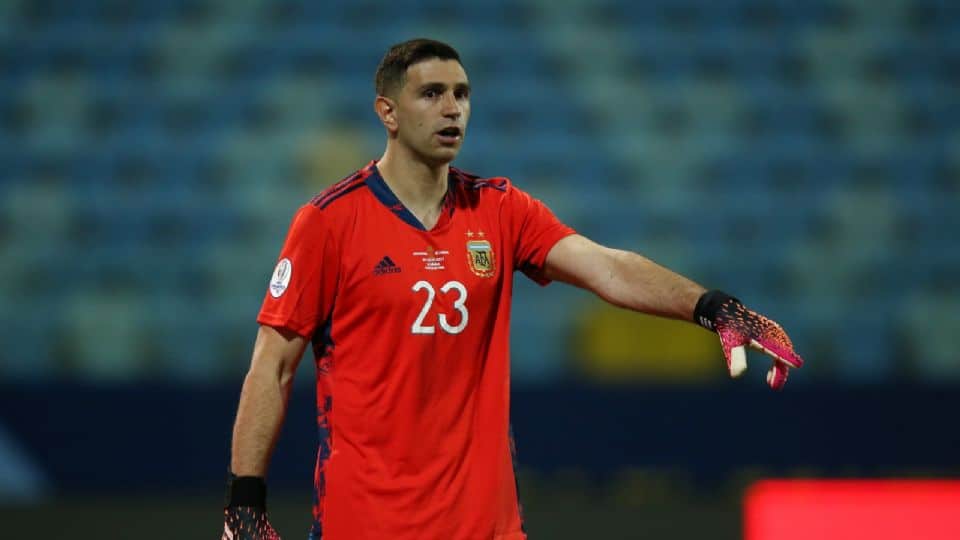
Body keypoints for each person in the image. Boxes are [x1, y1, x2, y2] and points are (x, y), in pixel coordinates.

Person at [221, 38, 804, 540]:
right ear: (387, 112)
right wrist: (245, 502)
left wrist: (713, 307)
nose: (452, 108)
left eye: (462, 93)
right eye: (431, 94)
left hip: (486, 527)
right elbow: (272, 366)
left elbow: (607, 268)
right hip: (365, 523)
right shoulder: (329, 223)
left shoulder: (499, 210)